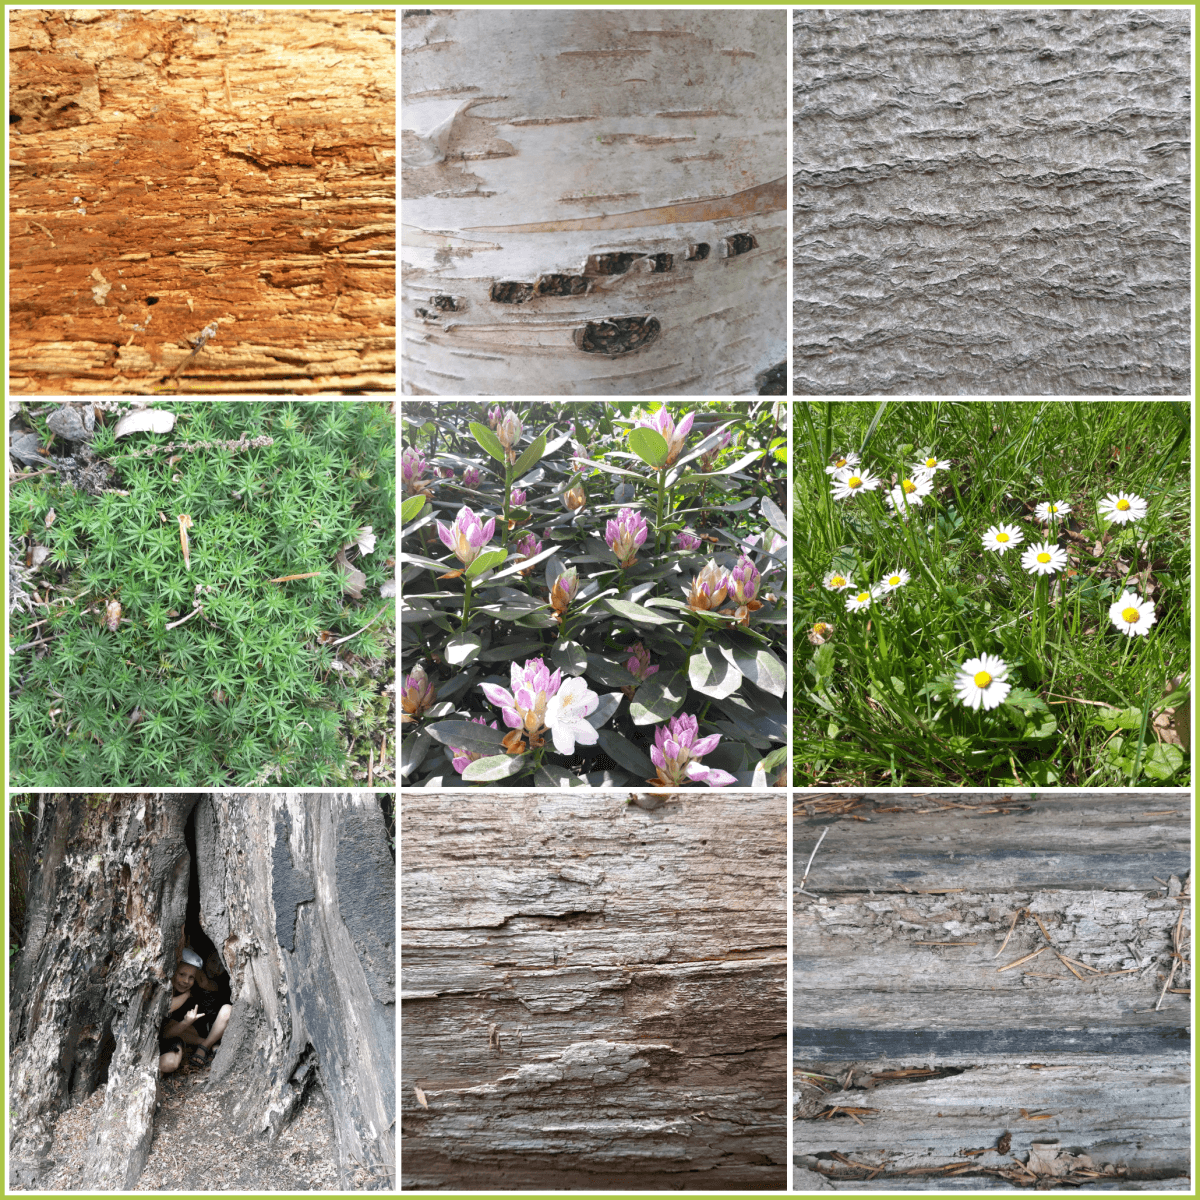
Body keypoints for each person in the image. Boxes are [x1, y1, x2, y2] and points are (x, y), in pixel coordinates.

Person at [158, 948, 232, 1073]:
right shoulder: (165, 990)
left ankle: (204, 1046)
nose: (186, 981)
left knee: (228, 1010)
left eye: (191, 977)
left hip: (208, 1029)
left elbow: (207, 983)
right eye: (182, 974)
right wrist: (186, 995)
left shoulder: (200, 986)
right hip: (182, 1033)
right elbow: (165, 1012)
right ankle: (207, 1045)